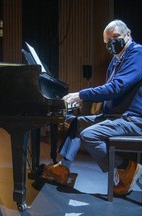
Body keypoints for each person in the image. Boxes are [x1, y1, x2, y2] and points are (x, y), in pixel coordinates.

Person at [43, 19, 142, 195]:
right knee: (78, 122)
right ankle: (63, 168)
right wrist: (98, 114)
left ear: (128, 35)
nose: (112, 44)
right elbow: (111, 91)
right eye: (108, 42)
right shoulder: (116, 60)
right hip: (117, 116)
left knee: (89, 135)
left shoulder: (138, 54)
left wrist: (81, 95)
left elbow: (116, 87)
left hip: (134, 119)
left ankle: (127, 167)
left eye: (116, 38)